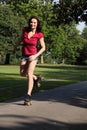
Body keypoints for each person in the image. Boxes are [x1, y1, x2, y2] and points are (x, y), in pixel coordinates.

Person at [13, 16, 45, 105]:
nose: (32, 24)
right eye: (31, 22)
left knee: (29, 74)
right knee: (22, 73)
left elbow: (43, 48)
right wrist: (15, 47)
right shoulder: (25, 30)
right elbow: (20, 39)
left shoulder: (39, 34)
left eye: (34, 22)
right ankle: (36, 78)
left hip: (33, 56)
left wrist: (35, 55)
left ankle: (28, 95)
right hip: (24, 55)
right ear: (29, 23)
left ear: (37, 24)